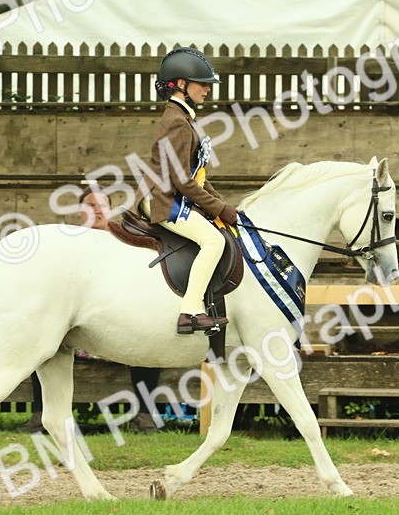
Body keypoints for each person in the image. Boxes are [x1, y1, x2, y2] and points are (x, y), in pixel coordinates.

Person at [19, 187, 163, 433]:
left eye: (102, 206)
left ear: (110, 211)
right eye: (90, 205)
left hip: (117, 321)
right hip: (76, 322)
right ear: (79, 212)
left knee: (148, 345)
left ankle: (143, 415)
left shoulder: (124, 239)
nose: (97, 210)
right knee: (41, 344)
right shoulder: (68, 243)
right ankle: (42, 415)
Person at [142, 47, 238, 334]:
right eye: (202, 83)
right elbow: (183, 181)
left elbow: (196, 176)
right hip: (164, 200)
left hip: (174, 196)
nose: (207, 90)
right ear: (181, 85)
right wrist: (218, 209)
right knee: (213, 241)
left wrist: (220, 204)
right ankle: (190, 311)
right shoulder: (176, 122)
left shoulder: (184, 118)